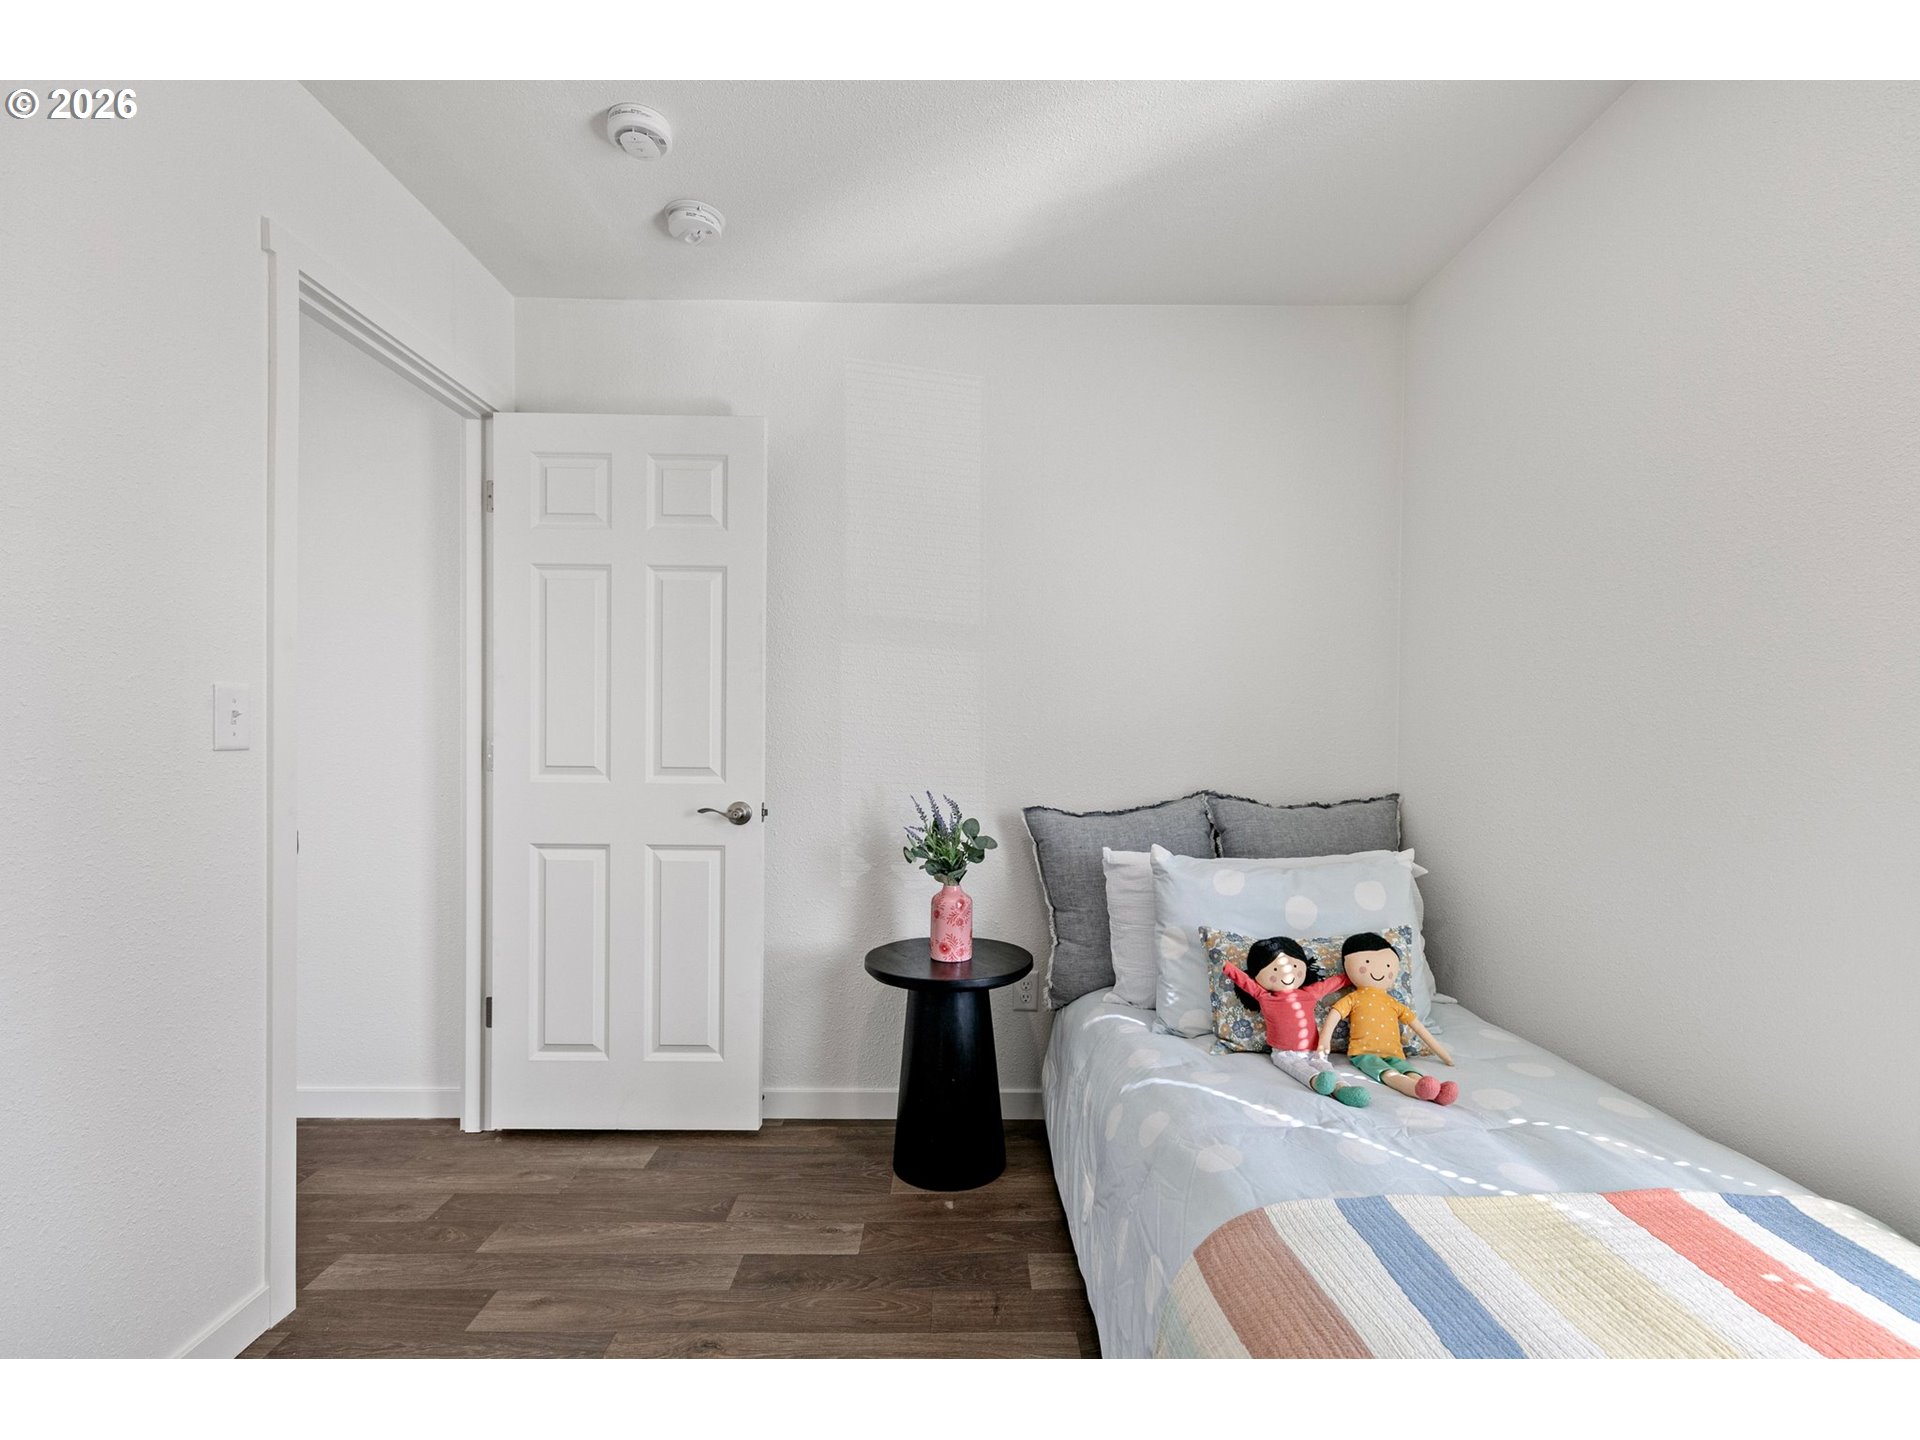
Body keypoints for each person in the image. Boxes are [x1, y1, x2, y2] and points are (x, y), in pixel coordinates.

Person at [1223, 936, 1370, 1107]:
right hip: (1284, 1052)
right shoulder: (1264, 996)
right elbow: (1245, 982)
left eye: (1294, 966)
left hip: (1314, 1048)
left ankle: (1343, 1089)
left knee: (1326, 1067)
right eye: (1275, 969)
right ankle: (1316, 1082)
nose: (1287, 972)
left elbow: (1334, 983)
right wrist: (1226, 966)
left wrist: (1355, 974)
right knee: (1299, 1068)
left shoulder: (1310, 993)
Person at [1316, 931, 1458, 1105]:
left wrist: (1444, 1055)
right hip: (1364, 1053)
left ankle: (1435, 1091)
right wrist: (1324, 1040)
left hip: (1394, 1053)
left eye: (1388, 965)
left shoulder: (1393, 1003)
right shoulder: (1353, 998)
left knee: (1408, 1069)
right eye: (1367, 963)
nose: (1379, 970)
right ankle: (1414, 1089)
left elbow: (1419, 1027)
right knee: (1388, 1073)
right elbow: (1335, 1013)